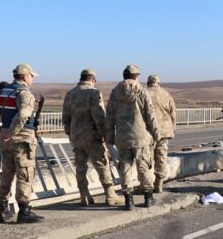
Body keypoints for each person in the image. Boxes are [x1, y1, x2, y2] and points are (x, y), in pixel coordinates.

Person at [0, 64, 44, 223]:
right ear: (25, 76)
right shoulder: (25, 94)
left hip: (5, 141)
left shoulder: (3, 92)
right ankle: (24, 211)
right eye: (31, 76)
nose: (32, 79)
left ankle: (3, 209)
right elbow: (23, 115)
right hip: (22, 140)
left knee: (7, 173)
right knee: (25, 174)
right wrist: (11, 132)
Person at [62, 69, 124, 206]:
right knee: (102, 164)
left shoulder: (70, 94)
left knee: (80, 167)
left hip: (76, 137)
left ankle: (84, 195)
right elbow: (99, 116)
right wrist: (104, 135)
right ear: (93, 79)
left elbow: (65, 117)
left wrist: (70, 133)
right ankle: (110, 195)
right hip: (92, 136)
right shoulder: (93, 93)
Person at [106, 65, 160, 210]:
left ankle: (128, 200)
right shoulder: (141, 91)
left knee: (125, 168)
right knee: (144, 167)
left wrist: (109, 136)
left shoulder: (115, 92)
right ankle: (148, 198)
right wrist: (156, 134)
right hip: (140, 137)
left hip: (122, 137)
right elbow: (150, 115)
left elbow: (109, 116)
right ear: (135, 76)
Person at [146, 74, 176, 193]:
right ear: (159, 83)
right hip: (164, 131)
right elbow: (173, 113)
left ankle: (147, 184)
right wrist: (173, 128)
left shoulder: (144, 92)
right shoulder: (166, 94)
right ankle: (159, 183)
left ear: (148, 83)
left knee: (147, 159)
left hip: (147, 131)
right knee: (161, 157)